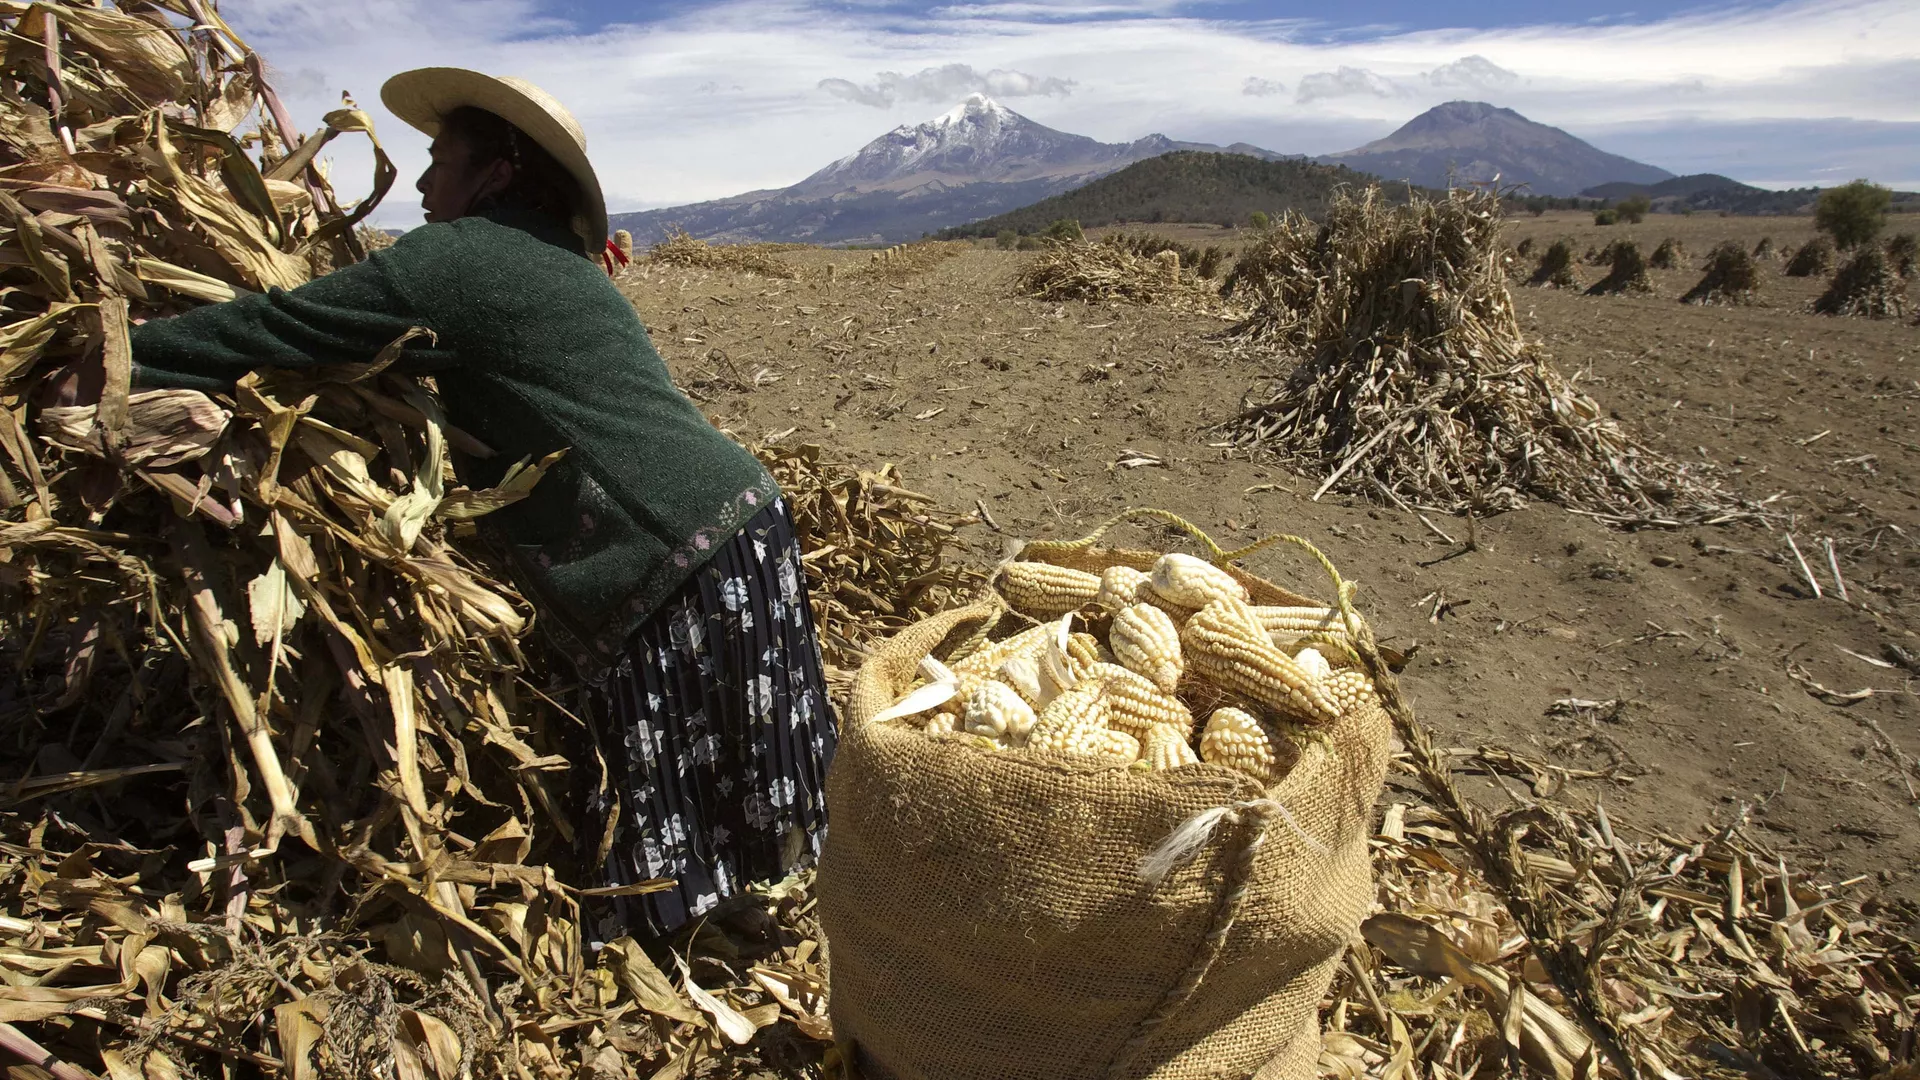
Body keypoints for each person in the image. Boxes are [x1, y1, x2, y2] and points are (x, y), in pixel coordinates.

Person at [127, 69, 837, 938]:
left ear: (497, 171)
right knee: (726, 773)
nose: (422, 183)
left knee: (656, 812)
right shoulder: (547, 254)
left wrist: (111, 353)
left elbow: (275, 329)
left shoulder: (457, 260)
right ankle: (730, 930)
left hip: (668, 542)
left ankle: (661, 952)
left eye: (439, 159)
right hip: (735, 518)